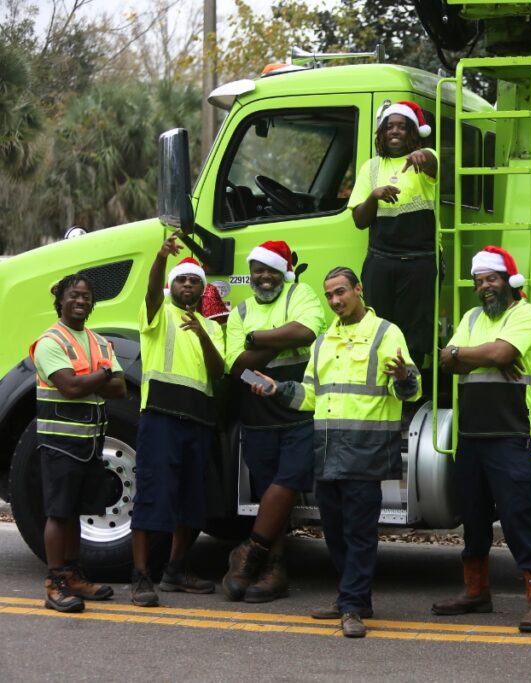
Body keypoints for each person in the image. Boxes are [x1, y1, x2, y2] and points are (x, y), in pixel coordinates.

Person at [249, 266, 420, 638]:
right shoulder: (323, 341)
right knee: (335, 533)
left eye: (341, 292)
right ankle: (352, 597)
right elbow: (311, 396)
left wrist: (405, 377)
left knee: (359, 533)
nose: (335, 300)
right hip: (327, 453)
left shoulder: (386, 333)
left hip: (365, 451)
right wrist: (277, 389)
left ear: (358, 290)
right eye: (329, 295)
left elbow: (408, 389)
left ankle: (353, 604)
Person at [433, 246, 531, 633]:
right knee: (474, 518)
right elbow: (446, 361)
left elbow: (502, 353)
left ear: (509, 282)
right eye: (479, 281)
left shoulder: (527, 314)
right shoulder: (470, 317)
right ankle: (476, 593)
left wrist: (464, 352)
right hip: (470, 434)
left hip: (510, 432)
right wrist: (466, 354)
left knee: (518, 517)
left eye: (492, 279)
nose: (485, 287)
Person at [221, 241, 325, 604]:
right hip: (257, 413)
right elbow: (236, 367)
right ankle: (274, 569)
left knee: (289, 480)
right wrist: (277, 343)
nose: (264, 277)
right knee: (269, 493)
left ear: (284, 271)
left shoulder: (301, 293)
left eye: (270, 270)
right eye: (257, 270)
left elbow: (306, 332)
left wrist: (256, 339)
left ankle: (250, 551)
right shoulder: (242, 309)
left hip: (298, 409)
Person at [130, 234, 225, 607]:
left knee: (193, 500)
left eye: (194, 281)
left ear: (202, 290)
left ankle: (176, 570)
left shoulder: (213, 327)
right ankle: (140, 576)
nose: (188, 285)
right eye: (182, 280)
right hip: (161, 418)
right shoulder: (158, 313)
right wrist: (160, 258)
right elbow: (154, 290)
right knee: (153, 495)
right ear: (174, 285)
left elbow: (218, 371)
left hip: (198, 421)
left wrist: (203, 333)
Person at [29, 273, 127, 612]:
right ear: (61, 300)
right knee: (58, 513)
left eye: (86, 296)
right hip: (60, 444)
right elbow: (69, 387)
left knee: (75, 514)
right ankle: (54, 583)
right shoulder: (50, 342)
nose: (81, 300)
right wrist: (102, 375)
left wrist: (93, 380)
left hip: (90, 444)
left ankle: (72, 576)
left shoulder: (100, 342)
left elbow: (122, 389)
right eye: (74, 295)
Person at [349, 100, 438, 372]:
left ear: (414, 131)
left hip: (419, 261)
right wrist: (374, 197)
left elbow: (433, 163)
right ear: (382, 132)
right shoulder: (371, 168)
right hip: (381, 260)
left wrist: (423, 156)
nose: (394, 131)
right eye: (389, 126)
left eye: (402, 126)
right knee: (378, 328)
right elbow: (359, 221)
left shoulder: (425, 157)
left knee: (416, 334)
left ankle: (410, 391)